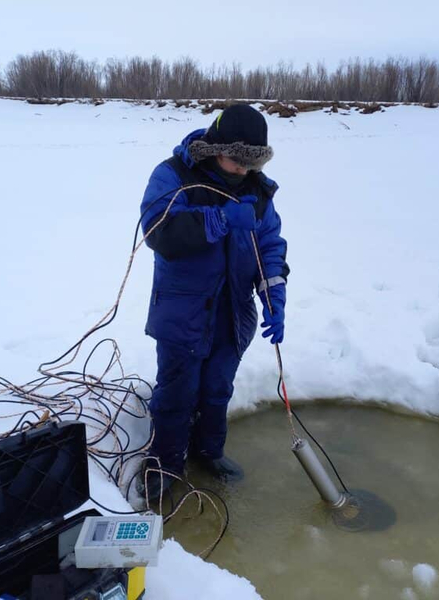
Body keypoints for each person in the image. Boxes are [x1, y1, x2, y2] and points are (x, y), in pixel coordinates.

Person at [138, 104, 289, 500]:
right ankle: (164, 462)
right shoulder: (174, 174)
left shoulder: (257, 190)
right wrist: (218, 219)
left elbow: (269, 245)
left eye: (251, 163)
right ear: (216, 147)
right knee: (176, 392)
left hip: (232, 311)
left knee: (217, 388)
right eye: (236, 161)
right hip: (182, 310)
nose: (242, 171)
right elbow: (159, 232)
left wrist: (274, 295)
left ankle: (209, 452)